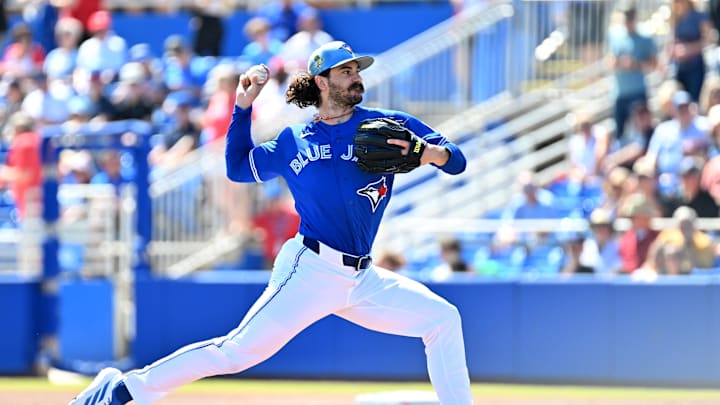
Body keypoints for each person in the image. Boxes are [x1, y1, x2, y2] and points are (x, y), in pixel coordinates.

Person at [69, 40, 473, 404]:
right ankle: (120, 390)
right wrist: (242, 108)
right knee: (235, 351)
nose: (356, 77)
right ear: (322, 80)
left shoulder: (386, 124)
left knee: (442, 319)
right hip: (311, 268)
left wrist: (428, 153)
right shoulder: (294, 140)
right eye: (346, 71)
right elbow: (238, 168)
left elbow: (456, 159)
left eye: (357, 70)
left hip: (363, 277)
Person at [607, 4, 658, 140]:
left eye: (630, 19)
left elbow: (654, 64)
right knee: (620, 131)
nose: (628, 23)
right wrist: (619, 63)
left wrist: (634, 64)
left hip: (638, 91)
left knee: (644, 130)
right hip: (620, 92)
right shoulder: (615, 35)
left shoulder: (645, 37)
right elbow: (610, 62)